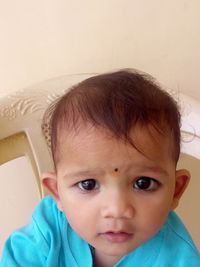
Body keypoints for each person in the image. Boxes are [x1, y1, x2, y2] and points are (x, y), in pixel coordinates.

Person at [1, 69, 199, 267]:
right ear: (56, 192)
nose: (117, 209)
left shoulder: (179, 259)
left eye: (143, 183)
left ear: (176, 190)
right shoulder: (48, 229)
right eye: (88, 184)